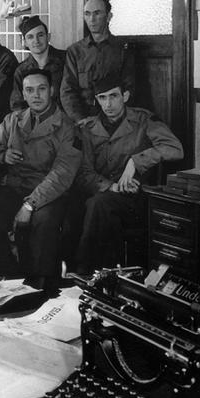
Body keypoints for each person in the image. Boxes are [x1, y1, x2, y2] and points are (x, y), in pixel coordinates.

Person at [69, 72, 183, 274]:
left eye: (113, 96)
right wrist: (111, 186)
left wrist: (135, 162)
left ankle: (85, 272)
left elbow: (175, 149)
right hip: (103, 194)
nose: (108, 104)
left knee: (98, 206)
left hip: (136, 198)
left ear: (126, 96)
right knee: (94, 205)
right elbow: (84, 172)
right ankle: (99, 273)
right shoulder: (87, 128)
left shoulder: (143, 120)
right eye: (102, 98)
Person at [0, 69, 79, 289]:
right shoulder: (13, 120)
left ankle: (42, 284)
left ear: (52, 91)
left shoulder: (67, 126)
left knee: (43, 223)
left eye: (42, 89)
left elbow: (62, 173)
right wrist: (1, 156)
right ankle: (9, 277)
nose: (36, 95)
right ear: (23, 95)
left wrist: (29, 205)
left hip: (48, 193)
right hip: (14, 187)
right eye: (30, 90)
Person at [60, 0, 135, 124]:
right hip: (83, 119)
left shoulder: (122, 50)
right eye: (87, 14)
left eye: (97, 13)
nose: (92, 19)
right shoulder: (75, 51)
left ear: (109, 16)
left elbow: (129, 88)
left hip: (115, 118)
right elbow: (67, 91)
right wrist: (81, 119)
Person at [10, 16, 66, 111]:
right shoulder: (21, 70)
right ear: (25, 42)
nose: (36, 41)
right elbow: (17, 104)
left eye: (40, 35)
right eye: (30, 37)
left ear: (48, 37)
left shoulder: (66, 60)